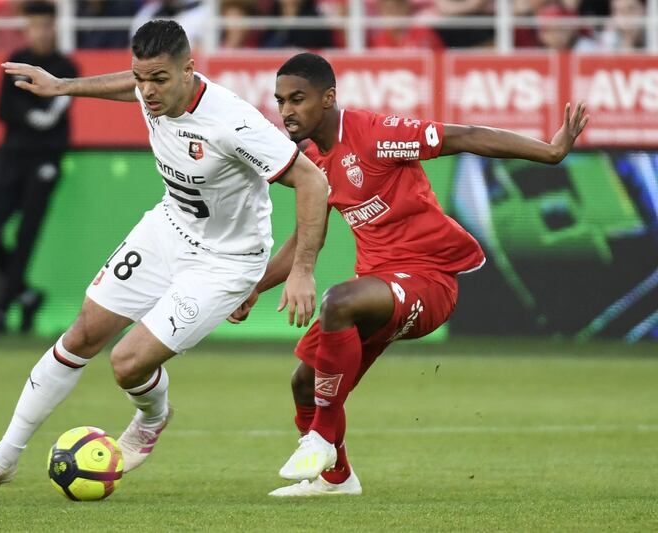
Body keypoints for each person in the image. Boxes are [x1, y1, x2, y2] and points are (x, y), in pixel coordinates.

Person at [0, 20, 329, 498]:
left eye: (158, 80)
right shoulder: (152, 89)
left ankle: (152, 416)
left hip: (225, 262)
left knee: (126, 364)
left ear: (189, 70)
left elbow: (312, 181)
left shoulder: (233, 122)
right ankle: (1, 458)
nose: (146, 92)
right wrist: (62, 86)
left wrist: (302, 270)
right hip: (167, 229)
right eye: (140, 78)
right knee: (82, 334)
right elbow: (130, 83)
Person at [228, 52, 589, 496]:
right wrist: (252, 290)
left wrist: (549, 152)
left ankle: (320, 438)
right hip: (379, 291)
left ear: (328, 98)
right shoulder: (313, 164)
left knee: (338, 301)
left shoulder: (377, 135)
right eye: (280, 100)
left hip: (429, 281)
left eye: (297, 99)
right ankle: (337, 479)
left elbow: (466, 135)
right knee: (304, 382)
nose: (286, 111)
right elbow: (305, 243)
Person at [0, 0, 77, 333]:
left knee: (26, 236)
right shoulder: (14, 63)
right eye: (35, 25)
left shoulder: (66, 65)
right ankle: (25, 294)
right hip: (13, 157)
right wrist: (28, 113)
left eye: (47, 25)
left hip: (45, 161)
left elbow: (54, 114)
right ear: (27, 27)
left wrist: (29, 113)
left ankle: (0, 311)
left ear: (55, 26)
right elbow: (2, 108)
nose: (41, 32)